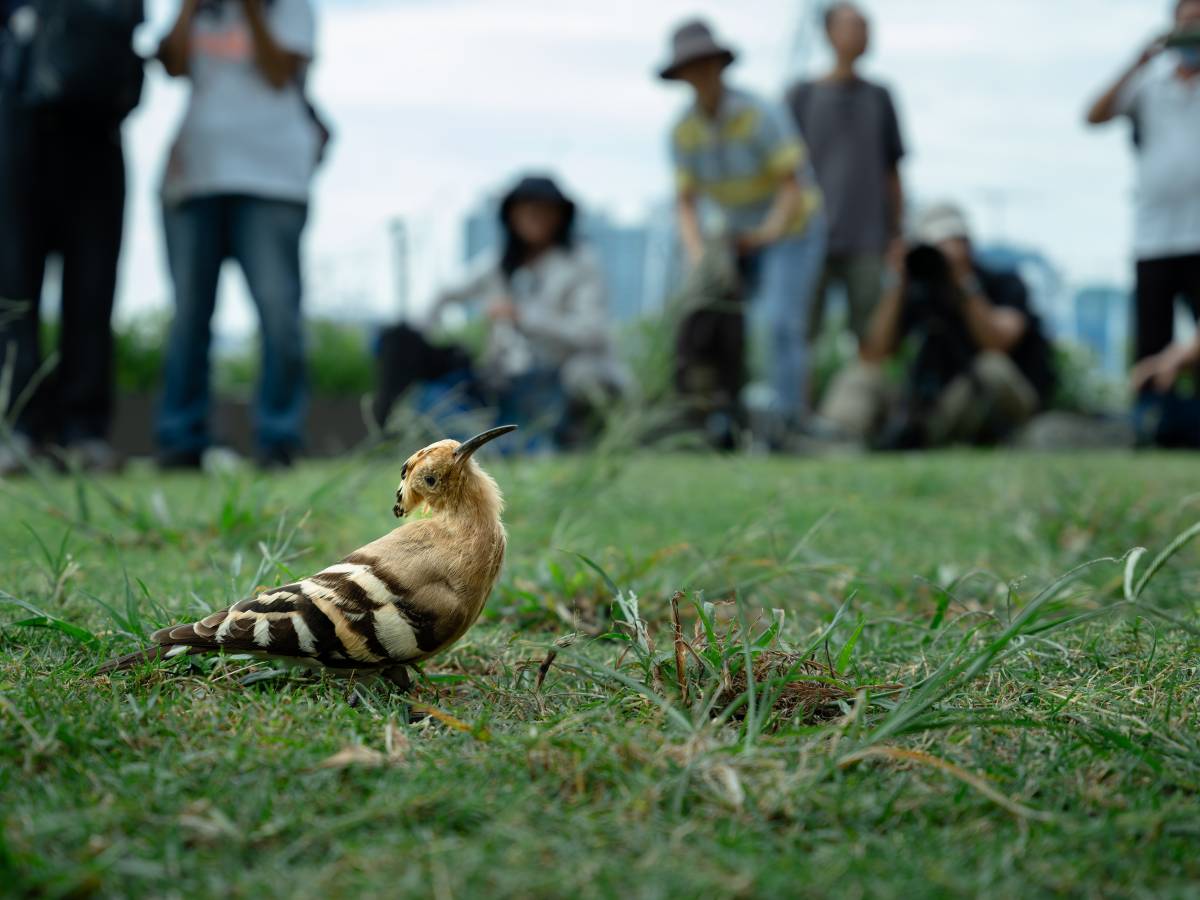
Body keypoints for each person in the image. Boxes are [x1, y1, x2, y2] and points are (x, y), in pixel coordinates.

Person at [155, 0, 321, 469]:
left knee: (278, 312)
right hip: (194, 176)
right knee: (189, 315)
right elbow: (172, 64)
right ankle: (179, 439)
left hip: (272, 180)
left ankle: (279, 438)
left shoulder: (291, 8)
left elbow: (278, 71)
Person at [658, 19, 826, 440]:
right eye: (690, 67)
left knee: (779, 321)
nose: (700, 74)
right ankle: (716, 414)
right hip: (734, 237)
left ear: (720, 64)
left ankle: (790, 421)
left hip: (791, 228)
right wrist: (700, 257)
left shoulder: (759, 113)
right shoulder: (682, 132)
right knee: (709, 318)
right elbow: (686, 204)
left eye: (706, 63)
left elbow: (793, 185)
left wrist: (767, 234)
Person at [0, 0, 144, 476]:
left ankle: (83, 432)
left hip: (95, 136)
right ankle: (18, 427)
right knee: (13, 290)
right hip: (18, 133)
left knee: (92, 291)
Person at [378, 175, 625, 449]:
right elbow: (446, 291)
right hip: (505, 380)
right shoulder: (500, 262)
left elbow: (592, 332)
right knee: (398, 339)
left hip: (558, 377)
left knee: (581, 375)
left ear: (561, 216)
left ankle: (575, 439)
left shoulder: (580, 262)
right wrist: (420, 331)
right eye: (526, 209)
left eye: (544, 209)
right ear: (511, 216)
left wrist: (523, 316)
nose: (534, 217)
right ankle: (388, 435)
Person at [820, 203, 1056, 448]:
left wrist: (963, 281)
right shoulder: (917, 289)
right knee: (861, 374)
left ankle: (1011, 441)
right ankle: (834, 442)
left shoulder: (1003, 282)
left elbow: (997, 342)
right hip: (933, 409)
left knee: (991, 368)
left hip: (990, 398)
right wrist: (896, 283)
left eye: (952, 243)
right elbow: (874, 353)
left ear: (968, 245)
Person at [1085, 0, 1200, 447]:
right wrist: (1140, 60)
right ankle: (1150, 428)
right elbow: (1093, 115)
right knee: (1152, 340)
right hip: (1154, 235)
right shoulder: (1148, 86)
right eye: (1187, 22)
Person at [787, 1, 905, 346]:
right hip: (809, 236)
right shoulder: (802, 96)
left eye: (866, 27)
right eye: (852, 26)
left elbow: (892, 171)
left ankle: (863, 401)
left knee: (872, 336)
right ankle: (798, 402)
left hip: (868, 238)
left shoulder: (880, 97)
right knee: (800, 334)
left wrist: (897, 233)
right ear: (827, 33)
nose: (862, 34)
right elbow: (783, 174)